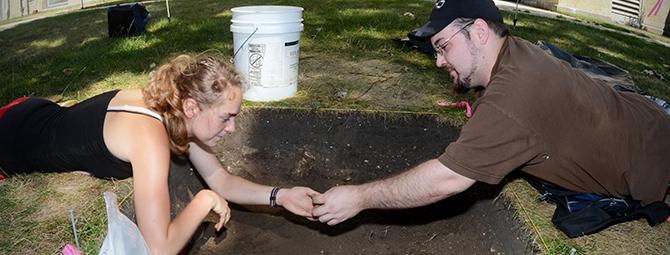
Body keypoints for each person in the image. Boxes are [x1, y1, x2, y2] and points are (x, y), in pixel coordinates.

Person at [311, 0, 670, 229]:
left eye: (442, 46)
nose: (438, 61)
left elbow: (447, 180)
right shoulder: (516, 53)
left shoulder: (512, 99)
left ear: (480, 31)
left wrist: (358, 198)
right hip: (649, 119)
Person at [0, 54, 319, 254]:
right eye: (227, 117)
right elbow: (158, 247)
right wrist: (203, 201)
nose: (232, 128)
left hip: (33, 113)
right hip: (9, 142)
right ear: (193, 106)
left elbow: (220, 179)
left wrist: (281, 195)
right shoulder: (150, 137)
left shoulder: (174, 111)